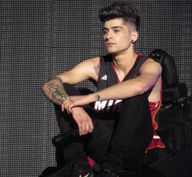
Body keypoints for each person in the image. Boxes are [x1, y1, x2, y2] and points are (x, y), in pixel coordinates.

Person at [43, 2, 165, 177]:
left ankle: (111, 169)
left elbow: (139, 86)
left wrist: (90, 98)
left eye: (116, 30)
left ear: (133, 36)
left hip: (135, 149)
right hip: (103, 144)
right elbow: (50, 84)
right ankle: (79, 167)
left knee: (134, 95)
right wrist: (74, 107)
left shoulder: (150, 66)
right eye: (105, 31)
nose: (108, 36)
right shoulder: (97, 65)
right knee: (65, 90)